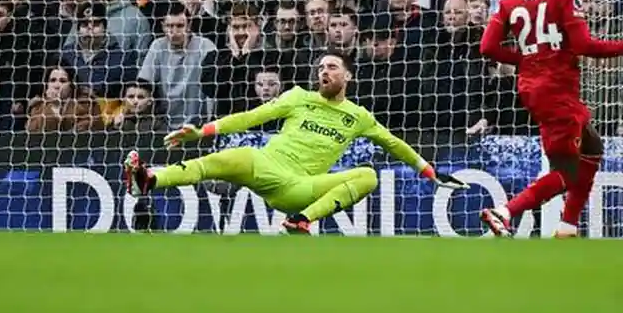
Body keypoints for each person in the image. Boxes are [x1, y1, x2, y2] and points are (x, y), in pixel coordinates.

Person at [122, 52, 468, 235]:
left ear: (348, 76)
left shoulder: (358, 116)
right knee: (226, 158)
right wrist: (202, 131)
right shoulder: (298, 96)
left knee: (368, 176)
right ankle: (149, 179)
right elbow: (250, 117)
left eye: (332, 67)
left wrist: (429, 172)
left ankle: (302, 220)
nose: (324, 72)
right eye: (320, 67)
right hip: (264, 165)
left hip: (300, 187)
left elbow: (395, 144)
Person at [477, 0, 623, 238]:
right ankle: (503, 212)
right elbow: (584, 45)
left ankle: (568, 226)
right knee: (567, 173)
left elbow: (487, 48)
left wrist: (526, 58)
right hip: (556, 89)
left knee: (593, 146)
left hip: (532, 87)